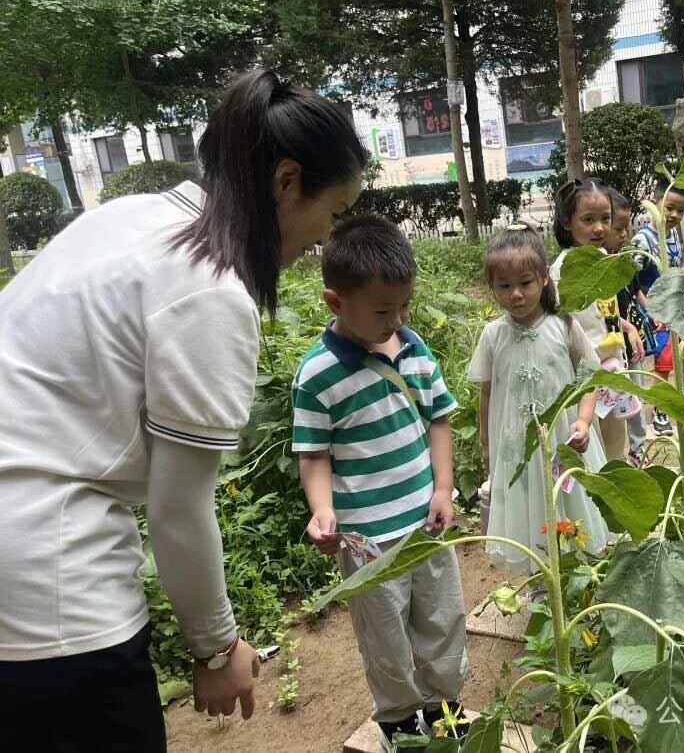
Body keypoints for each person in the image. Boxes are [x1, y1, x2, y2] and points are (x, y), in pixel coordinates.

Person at [0, 69, 366, 750]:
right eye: (336, 210)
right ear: (288, 183)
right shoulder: (210, 292)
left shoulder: (128, 219)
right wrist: (216, 649)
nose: (328, 234)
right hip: (45, 586)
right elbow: (178, 510)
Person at [292, 215, 467, 747]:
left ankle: (444, 713)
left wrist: (442, 489)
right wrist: (322, 509)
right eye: (383, 311)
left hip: (426, 525)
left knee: (443, 618)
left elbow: (439, 420)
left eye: (403, 306)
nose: (396, 320)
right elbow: (314, 454)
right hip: (368, 543)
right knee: (385, 638)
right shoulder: (318, 375)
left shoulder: (414, 350)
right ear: (335, 302)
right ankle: (399, 723)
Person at [467, 225, 608, 573]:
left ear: (544, 279)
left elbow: (590, 379)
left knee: (571, 500)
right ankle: (543, 581)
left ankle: (578, 577)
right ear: (492, 288)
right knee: (526, 505)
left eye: (525, 283)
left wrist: (585, 420)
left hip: (564, 440)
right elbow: (487, 393)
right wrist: (487, 445)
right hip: (516, 448)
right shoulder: (493, 335)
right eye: (504, 286)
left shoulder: (564, 326)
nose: (516, 294)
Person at [549, 179, 640, 462]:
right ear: (567, 222)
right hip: (586, 381)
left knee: (615, 449)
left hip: (613, 373)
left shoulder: (605, 258)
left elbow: (603, 311)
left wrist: (625, 325)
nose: (599, 228)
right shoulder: (562, 269)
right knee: (592, 453)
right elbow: (562, 324)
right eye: (588, 220)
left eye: (605, 219)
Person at [631, 181, 684, 435]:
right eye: (669, 208)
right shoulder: (642, 240)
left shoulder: (674, 235)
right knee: (663, 362)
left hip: (676, 304)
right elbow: (632, 283)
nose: (674, 215)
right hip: (656, 311)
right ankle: (661, 410)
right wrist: (651, 309)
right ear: (656, 204)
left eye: (681, 210)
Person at [607, 191, 650, 466]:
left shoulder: (625, 259)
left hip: (635, 340)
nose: (624, 234)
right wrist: (628, 328)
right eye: (618, 228)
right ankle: (627, 452)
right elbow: (604, 311)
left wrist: (650, 312)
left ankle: (639, 450)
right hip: (615, 342)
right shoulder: (599, 266)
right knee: (622, 399)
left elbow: (636, 293)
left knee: (638, 394)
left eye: (627, 227)